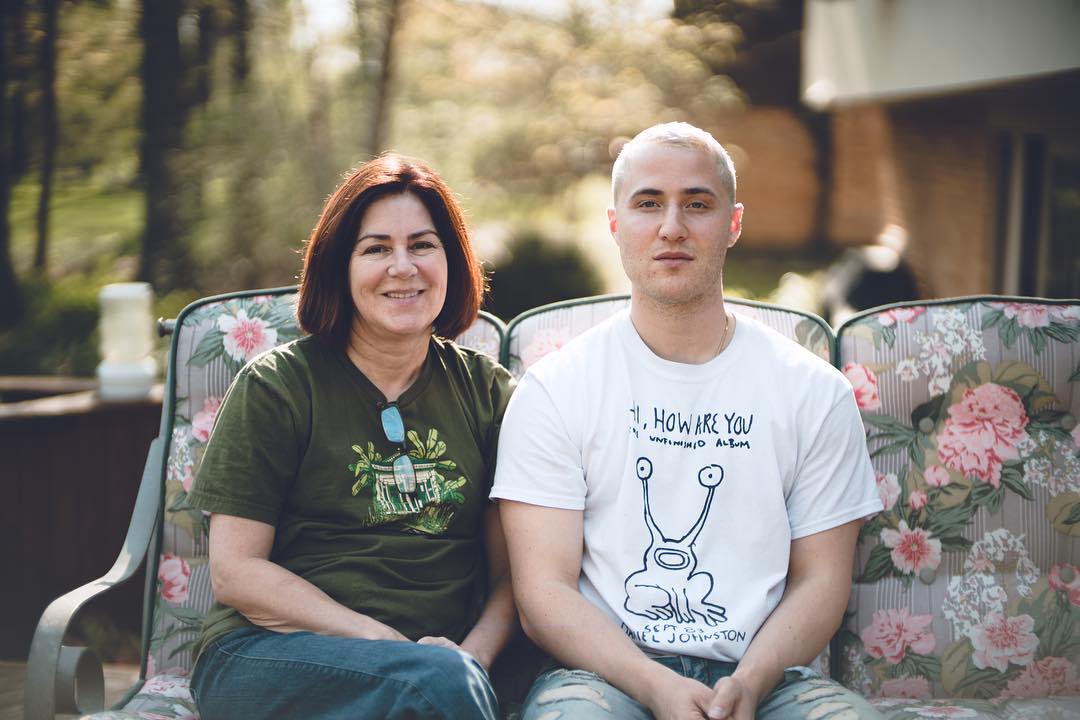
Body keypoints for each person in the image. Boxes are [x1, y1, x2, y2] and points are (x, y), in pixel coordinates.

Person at [491, 122, 885, 720]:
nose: (672, 226)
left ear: (733, 223)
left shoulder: (813, 391)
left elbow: (821, 582)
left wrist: (751, 682)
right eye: (649, 203)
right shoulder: (556, 389)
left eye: (697, 204)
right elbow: (543, 594)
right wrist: (654, 686)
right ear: (616, 224)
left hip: (767, 676)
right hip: (603, 678)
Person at [187, 154, 515, 720]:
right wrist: (384, 645)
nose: (403, 267)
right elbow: (237, 572)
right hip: (272, 657)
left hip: (444, 673)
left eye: (423, 245)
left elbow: (516, 576)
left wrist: (472, 662)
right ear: (340, 266)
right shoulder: (278, 386)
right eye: (376, 248)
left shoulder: (488, 393)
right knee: (428, 690)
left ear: (452, 261)